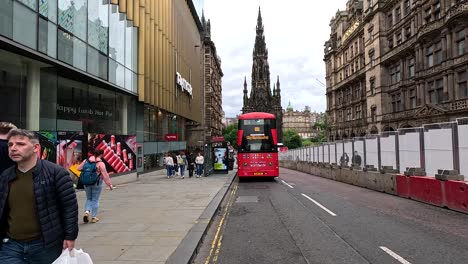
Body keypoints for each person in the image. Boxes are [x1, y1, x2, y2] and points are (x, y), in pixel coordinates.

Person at [0, 129, 79, 263]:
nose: (13, 148)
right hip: (11, 246)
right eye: (10, 145)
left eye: (20, 144)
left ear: (36, 147)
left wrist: (70, 236)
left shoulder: (56, 173)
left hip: (45, 245)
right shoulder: (5, 176)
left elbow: (69, 207)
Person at [78, 149, 113, 223]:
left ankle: (87, 212)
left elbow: (79, 168)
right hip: (97, 183)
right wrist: (109, 184)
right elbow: (105, 175)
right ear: (102, 154)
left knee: (88, 198)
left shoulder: (86, 161)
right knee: (95, 199)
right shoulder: (100, 163)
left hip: (86, 183)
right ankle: (93, 217)